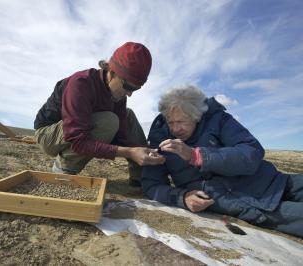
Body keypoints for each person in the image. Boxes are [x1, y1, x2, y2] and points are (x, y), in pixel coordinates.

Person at [142, 85, 303, 237]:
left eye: (182, 122)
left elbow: (252, 152)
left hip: (275, 180)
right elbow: (152, 184)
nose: (175, 129)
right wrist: (182, 198)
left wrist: (196, 156)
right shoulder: (160, 138)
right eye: (171, 122)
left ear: (196, 117)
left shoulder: (217, 119)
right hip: (249, 204)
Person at [34, 42, 165, 186]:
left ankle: (142, 176)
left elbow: (122, 136)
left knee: (128, 116)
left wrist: (141, 151)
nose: (129, 94)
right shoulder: (81, 83)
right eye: (128, 87)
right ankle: (64, 169)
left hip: (76, 133)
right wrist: (129, 152)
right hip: (48, 135)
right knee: (109, 120)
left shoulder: (118, 96)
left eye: (136, 89)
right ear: (112, 71)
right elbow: (78, 140)